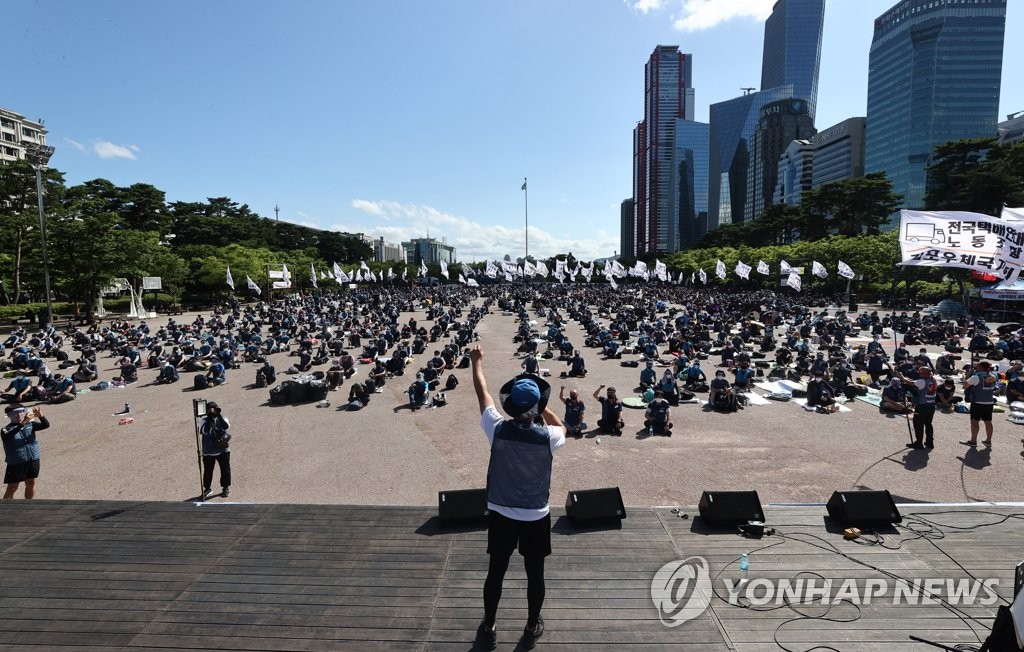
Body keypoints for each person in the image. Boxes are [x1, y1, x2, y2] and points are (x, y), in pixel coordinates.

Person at [470, 346, 565, 651]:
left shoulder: (496, 428)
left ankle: (489, 623)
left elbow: (482, 391)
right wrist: (542, 407)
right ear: (537, 407)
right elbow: (561, 425)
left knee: (495, 572)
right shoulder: (550, 437)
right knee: (534, 575)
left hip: (500, 511)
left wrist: (477, 362)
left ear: (509, 406)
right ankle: (532, 623)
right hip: (535, 514)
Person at [2, 405, 49, 499]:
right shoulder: (5, 430)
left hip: (32, 459)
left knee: (31, 483)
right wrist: (23, 422)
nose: (19, 415)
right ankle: (4, 509)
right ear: (9, 416)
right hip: (16, 463)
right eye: (15, 413)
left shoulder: (30, 424)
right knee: (12, 487)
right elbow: (10, 434)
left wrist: (41, 416)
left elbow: (45, 425)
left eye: (21, 412)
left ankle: (28, 505)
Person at [199, 401, 231, 499]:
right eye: (211, 410)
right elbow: (205, 431)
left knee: (225, 470)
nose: (213, 411)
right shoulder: (204, 421)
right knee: (208, 471)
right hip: (208, 451)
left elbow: (226, 427)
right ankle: (207, 488)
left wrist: (219, 416)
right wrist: (209, 419)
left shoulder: (223, 418)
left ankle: (225, 488)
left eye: (215, 409)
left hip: (223, 450)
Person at [962, 360, 997, 448]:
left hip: (977, 402)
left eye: (977, 366)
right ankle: (988, 441)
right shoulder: (993, 376)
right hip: (989, 402)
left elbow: (965, 386)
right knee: (988, 422)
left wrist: (967, 376)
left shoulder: (976, 377)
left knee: (974, 422)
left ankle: (973, 441)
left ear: (981, 367)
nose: (976, 367)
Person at [902, 366, 937, 449]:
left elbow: (909, 382)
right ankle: (929, 442)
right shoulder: (933, 379)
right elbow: (913, 381)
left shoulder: (922, 381)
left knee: (918, 424)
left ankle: (919, 443)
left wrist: (901, 376)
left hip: (922, 406)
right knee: (928, 424)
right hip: (931, 405)